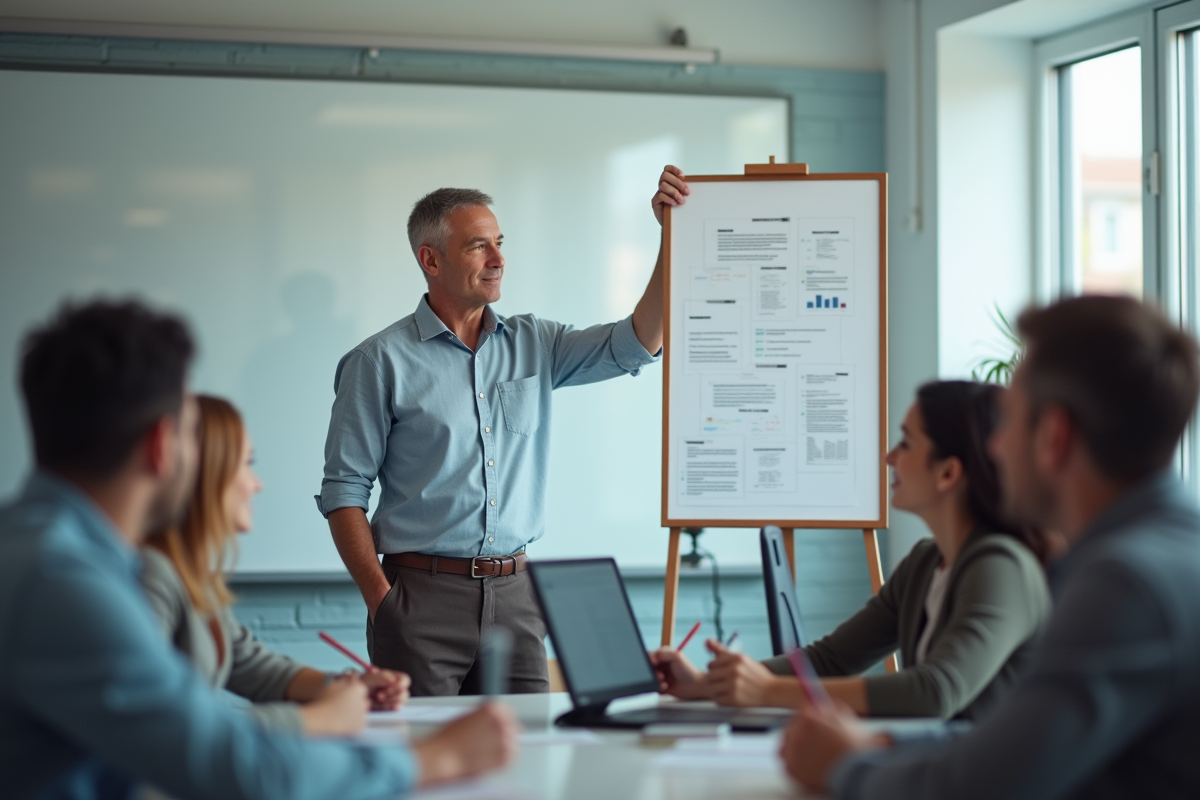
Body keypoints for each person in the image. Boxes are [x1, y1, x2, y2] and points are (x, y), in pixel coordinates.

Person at [0, 300, 516, 800]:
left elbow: (229, 685)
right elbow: (236, 766)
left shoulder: (54, 551)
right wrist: (437, 758)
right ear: (161, 445)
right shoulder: (64, 582)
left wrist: (335, 693)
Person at [781, 295, 1200, 800]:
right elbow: (1009, 752)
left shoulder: (1126, 583)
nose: (994, 448)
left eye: (1008, 421)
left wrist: (848, 765)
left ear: (1054, 436)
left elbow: (981, 786)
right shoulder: (1159, 551)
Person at [318, 168, 690, 696]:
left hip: (517, 597)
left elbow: (634, 343)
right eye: (478, 247)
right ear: (430, 259)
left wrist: (669, 238)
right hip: (419, 598)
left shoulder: (536, 343)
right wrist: (382, 600)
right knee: (425, 762)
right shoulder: (378, 362)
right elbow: (344, 492)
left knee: (526, 759)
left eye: (499, 243)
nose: (498, 260)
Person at [651, 380, 1051, 721]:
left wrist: (768, 692)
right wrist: (706, 685)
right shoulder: (926, 563)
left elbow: (934, 692)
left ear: (947, 472)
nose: (890, 457)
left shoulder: (1001, 566)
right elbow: (829, 661)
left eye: (906, 444)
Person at [142, 394, 411, 737]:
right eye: (246, 464)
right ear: (202, 473)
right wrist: (321, 718)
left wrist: (345, 688)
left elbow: (249, 664)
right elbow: (168, 727)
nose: (257, 484)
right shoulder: (149, 576)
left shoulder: (189, 573)